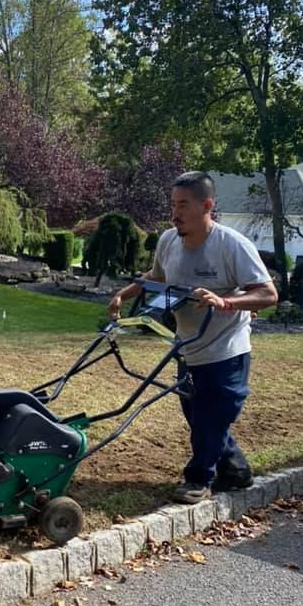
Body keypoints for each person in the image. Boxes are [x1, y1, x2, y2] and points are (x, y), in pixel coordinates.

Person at [108, 171, 278, 504]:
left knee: (210, 418)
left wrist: (225, 301)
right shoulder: (169, 240)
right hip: (188, 347)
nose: (175, 213)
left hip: (227, 351)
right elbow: (156, 277)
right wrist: (123, 295)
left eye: (183, 205)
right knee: (199, 418)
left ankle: (199, 479)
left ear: (208, 206)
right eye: (173, 204)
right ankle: (237, 471)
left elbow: (268, 294)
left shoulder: (231, 245)